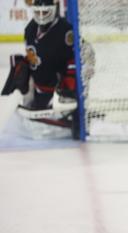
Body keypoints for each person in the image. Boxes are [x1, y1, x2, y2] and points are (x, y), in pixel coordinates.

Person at [1, 0, 80, 139]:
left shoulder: (66, 31)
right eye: (38, 12)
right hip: (40, 88)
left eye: (45, 12)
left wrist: (70, 86)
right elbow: (36, 56)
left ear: (53, 10)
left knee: (72, 120)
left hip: (59, 90)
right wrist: (23, 66)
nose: (41, 16)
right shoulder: (30, 29)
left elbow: (79, 56)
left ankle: (74, 114)